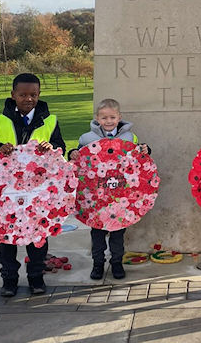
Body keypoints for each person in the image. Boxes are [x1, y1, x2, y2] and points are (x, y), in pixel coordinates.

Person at [0, 72, 65, 298]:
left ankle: (36, 277)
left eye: (33, 95)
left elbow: (60, 148)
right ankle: (9, 280)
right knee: (7, 237)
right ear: (13, 95)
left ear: (39, 95)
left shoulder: (50, 120)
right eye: (23, 95)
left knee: (37, 237)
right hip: (8, 192)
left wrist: (52, 148)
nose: (28, 99)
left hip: (38, 192)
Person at [71, 98, 149, 281]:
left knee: (117, 233)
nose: (108, 121)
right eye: (104, 117)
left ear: (119, 117)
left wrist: (146, 150)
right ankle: (97, 264)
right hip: (95, 198)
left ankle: (116, 263)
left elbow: (139, 157)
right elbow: (78, 159)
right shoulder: (87, 138)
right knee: (97, 233)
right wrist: (72, 153)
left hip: (119, 196)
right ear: (97, 118)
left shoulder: (129, 137)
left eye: (112, 117)